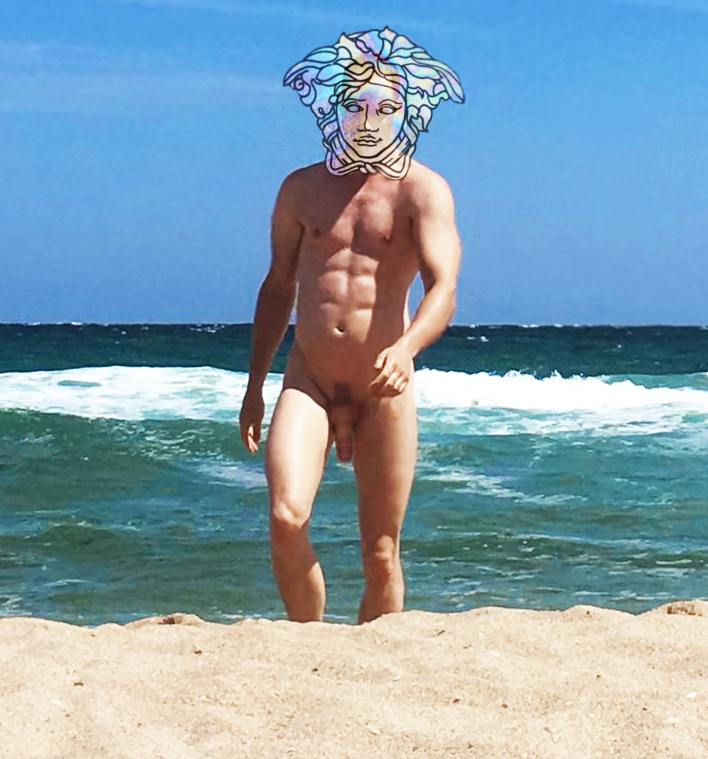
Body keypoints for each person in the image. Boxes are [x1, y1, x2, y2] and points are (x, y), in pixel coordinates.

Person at [239, 28, 463, 623]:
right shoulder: (301, 189)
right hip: (308, 377)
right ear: (334, 109)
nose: (368, 120)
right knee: (286, 518)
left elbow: (444, 288)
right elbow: (278, 288)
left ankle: (375, 662)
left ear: (405, 113)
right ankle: (307, 641)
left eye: (385, 108)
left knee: (381, 552)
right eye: (355, 106)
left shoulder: (423, 192)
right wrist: (255, 385)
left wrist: (408, 348)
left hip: (382, 385)